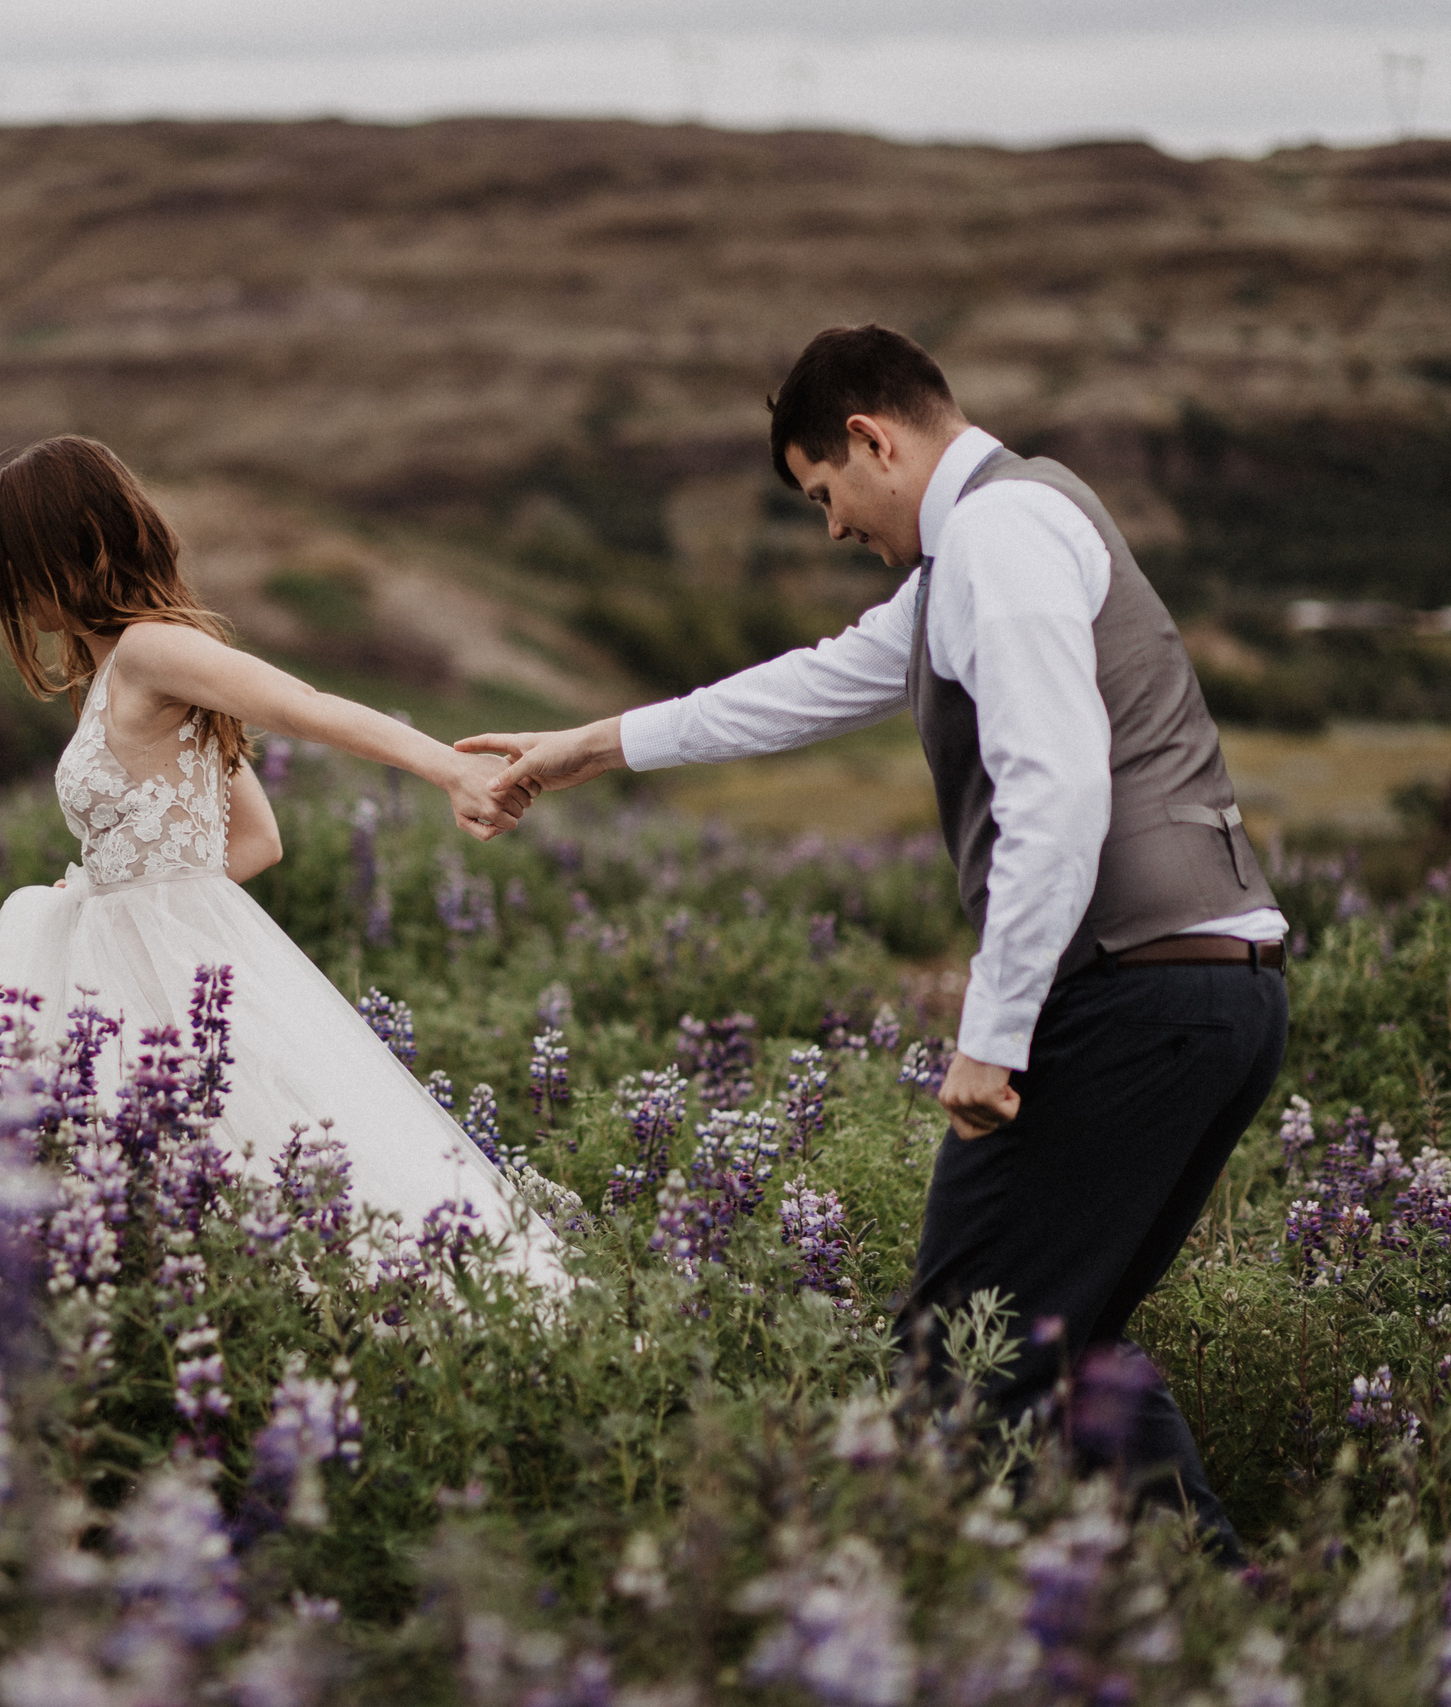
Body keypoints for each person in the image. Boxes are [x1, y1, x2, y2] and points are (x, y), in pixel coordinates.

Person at [460, 324, 1287, 1554]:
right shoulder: (999, 537)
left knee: (959, 1354)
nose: (832, 526)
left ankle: (1045, 1627)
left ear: (869, 439)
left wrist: (992, 1038)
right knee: (1058, 1352)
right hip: (1215, 990)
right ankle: (1226, 1626)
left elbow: (1055, 794)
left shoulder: (997, 541)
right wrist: (583, 748)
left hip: (1134, 996)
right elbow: (801, 687)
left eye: (821, 493)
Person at [0, 435, 565, 1283]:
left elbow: (302, 704)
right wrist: (111, 892)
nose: (14, 594)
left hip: (165, 965)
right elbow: (256, 840)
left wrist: (447, 766)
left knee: (203, 1166)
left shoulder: (149, 650)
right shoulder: (108, 671)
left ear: (70, 549)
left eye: (17, 568)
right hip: (140, 950)